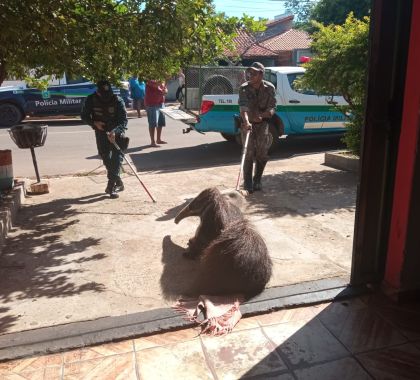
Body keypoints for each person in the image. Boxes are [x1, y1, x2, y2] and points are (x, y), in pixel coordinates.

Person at [81, 80, 128, 199]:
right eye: (103, 94)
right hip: (101, 133)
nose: (107, 97)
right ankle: (117, 180)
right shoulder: (91, 99)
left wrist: (115, 131)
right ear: (98, 92)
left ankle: (110, 186)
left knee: (116, 158)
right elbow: (84, 116)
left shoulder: (117, 100)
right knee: (105, 157)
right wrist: (94, 123)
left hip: (116, 134)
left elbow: (124, 121)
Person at [238, 62, 276, 195]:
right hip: (247, 124)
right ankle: (248, 182)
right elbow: (243, 108)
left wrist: (265, 114)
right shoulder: (244, 88)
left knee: (262, 153)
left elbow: (272, 107)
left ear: (261, 74)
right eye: (249, 73)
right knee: (248, 153)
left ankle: (257, 179)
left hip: (262, 125)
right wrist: (247, 122)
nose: (250, 75)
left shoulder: (269, 88)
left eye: (254, 73)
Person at [144, 80, 167, 147]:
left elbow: (164, 88)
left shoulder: (161, 78)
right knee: (152, 123)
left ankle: (158, 139)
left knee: (160, 122)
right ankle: (152, 142)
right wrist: (164, 79)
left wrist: (165, 91)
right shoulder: (149, 77)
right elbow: (156, 84)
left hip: (160, 103)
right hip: (151, 104)